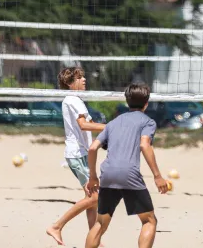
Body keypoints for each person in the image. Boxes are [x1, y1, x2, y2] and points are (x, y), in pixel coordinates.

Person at [85, 82, 168, 248]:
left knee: (100, 223)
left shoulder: (113, 122)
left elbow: (93, 148)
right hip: (129, 174)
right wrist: (157, 176)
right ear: (147, 102)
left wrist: (93, 177)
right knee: (149, 220)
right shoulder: (148, 122)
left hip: (107, 173)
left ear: (127, 101)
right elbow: (145, 145)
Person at [46, 67, 107, 246]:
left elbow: (84, 126)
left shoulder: (73, 100)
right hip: (77, 155)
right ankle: (57, 226)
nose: (84, 79)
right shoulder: (73, 100)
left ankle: (94, 241)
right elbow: (84, 125)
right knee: (95, 197)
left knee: (92, 199)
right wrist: (110, 127)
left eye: (83, 76)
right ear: (69, 83)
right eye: (80, 77)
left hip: (81, 154)